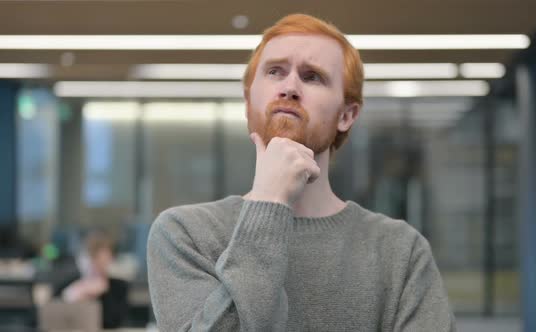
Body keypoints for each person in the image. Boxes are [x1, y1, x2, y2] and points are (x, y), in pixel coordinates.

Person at [147, 13, 455, 331]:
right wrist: (269, 202)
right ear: (247, 101)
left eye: (312, 77)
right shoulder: (186, 234)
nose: (290, 87)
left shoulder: (399, 251)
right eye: (274, 71)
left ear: (346, 115)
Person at [53, 229, 129, 329]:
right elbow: (52, 313)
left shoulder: (119, 286)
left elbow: (114, 322)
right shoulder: (72, 283)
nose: (102, 262)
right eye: (96, 257)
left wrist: (101, 293)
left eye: (106, 257)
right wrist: (77, 293)